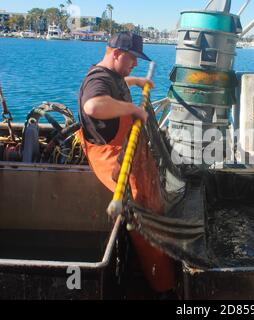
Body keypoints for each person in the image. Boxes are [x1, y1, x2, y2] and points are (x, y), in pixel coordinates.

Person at [77, 32, 176, 294]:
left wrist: (135, 81)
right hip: (114, 159)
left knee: (154, 208)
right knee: (143, 223)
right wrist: (133, 110)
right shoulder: (97, 80)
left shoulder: (112, 76)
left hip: (127, 153)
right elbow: (94, 106)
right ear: (116, 54)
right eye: (132, 59)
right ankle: (163, 286)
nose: (135, 64)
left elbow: (118, 85)